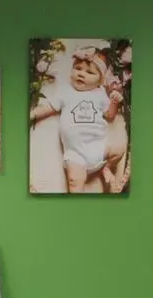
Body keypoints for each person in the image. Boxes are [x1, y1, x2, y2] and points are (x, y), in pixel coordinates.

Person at [31, 48, 123, 193]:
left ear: (100, 81)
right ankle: (76, 203)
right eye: (78, 68)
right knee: (74, 181)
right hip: (75, 153)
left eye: (89, 72)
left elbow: (110, 115)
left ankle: (107, 167)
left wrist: (114, 103)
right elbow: (50, 107)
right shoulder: (65, 91)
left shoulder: (100, 94)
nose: (81, 74)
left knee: (119, 148)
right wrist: (33, 114)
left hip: (99, 145)